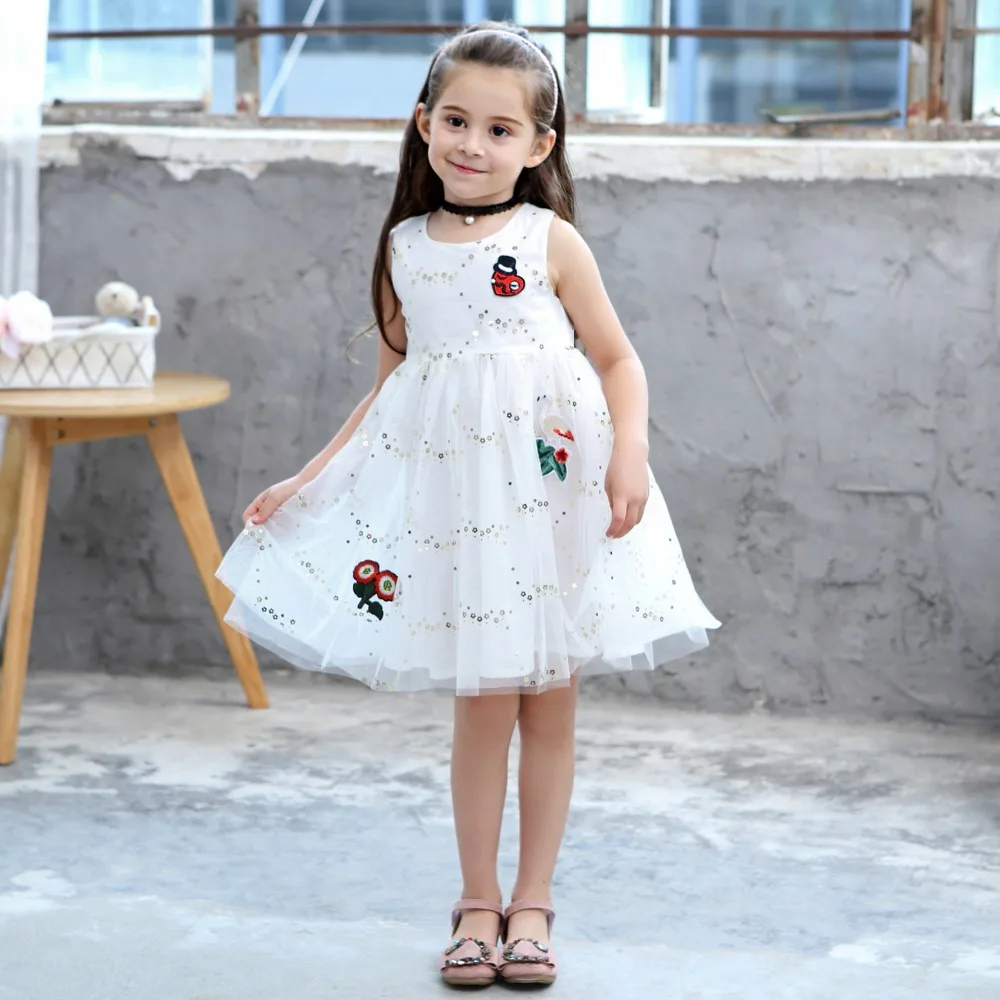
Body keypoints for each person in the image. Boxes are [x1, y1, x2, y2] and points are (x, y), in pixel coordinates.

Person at [217, 21, 719, 989]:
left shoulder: (550, 241)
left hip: (556, 496)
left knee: (551, 706)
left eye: (499, 130)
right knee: (482, 709)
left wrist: (632, 454)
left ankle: (533, 902)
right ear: (423, 123)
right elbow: (387, 393)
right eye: (455, 121)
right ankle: (477, 901)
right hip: (467, 515)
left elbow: (618, 359)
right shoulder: (404, 250)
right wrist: (304, 480)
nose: (472, 144)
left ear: (539, 145)